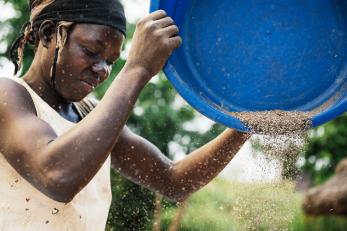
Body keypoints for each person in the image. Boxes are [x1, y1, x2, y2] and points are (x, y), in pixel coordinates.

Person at [0, 0, 249, 230]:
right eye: (90, 51)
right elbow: (56, 176)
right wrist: (138, 68)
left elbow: (173, 181)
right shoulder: (8, 95)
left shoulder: (91, 115)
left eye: (111, 61)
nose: (102, 70)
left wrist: (244, 124)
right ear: (47, 35)